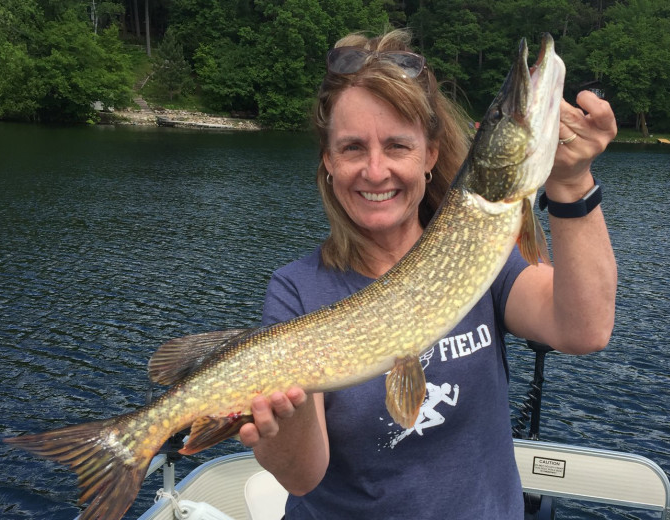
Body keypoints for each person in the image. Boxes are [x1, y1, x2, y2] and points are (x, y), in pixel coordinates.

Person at [239, 28, 617, 518]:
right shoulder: (297, 289)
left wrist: (571, 182)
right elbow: (302, 474)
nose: (375, 171)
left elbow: (584, 329)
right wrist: (277, 424)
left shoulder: (487, 251)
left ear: (430, 156)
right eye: (353, 148)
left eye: (397, 146)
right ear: (329, 161)